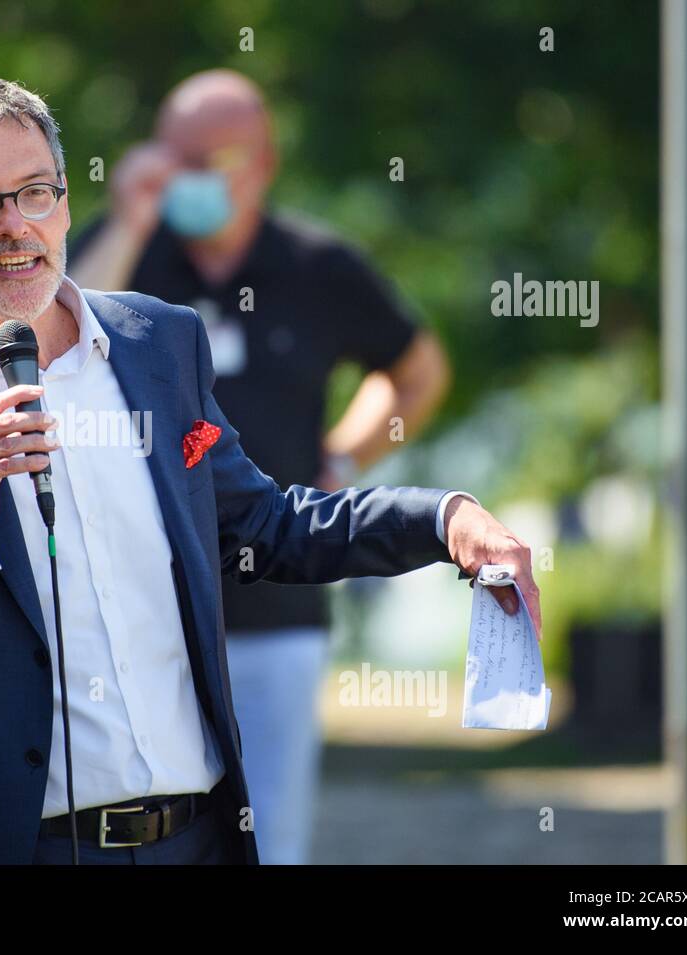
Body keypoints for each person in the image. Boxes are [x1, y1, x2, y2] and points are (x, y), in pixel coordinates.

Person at [0, 76, 542, 865]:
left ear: (68, 203)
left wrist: (443, 518)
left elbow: (268, 524)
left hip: (193, 841)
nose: (15, 227)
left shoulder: (159, 343)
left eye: (36, 192)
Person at [67, 69, 451, 863]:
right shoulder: (126, 252)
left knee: (268, 835)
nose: (196, 176)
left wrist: (344, 453)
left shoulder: (318, 266)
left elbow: (419, 372)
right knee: (138, 828)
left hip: (278, 599)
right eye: (180, 156)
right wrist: (134, 218)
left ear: (264, 162)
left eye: (217, 157)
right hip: (135, 605)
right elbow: (53, 334)